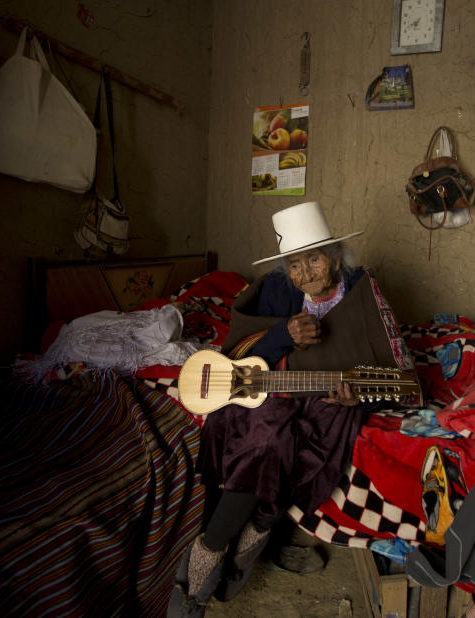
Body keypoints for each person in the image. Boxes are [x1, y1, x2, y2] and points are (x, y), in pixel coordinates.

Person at [167, 201, 413, 617]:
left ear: (335, 256)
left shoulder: (360, 290)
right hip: (277, 387)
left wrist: (359, 395)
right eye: (294, 265)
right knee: (263, 433)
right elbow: (239, 352)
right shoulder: (277, 287)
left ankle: (236, 544)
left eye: (313, 259)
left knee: (315, 437)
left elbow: (399, 368)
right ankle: (221, 549)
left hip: (332, 397)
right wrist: (283, 333)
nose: (305, 274)